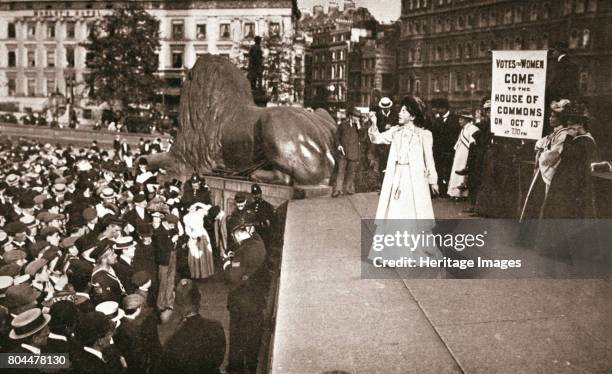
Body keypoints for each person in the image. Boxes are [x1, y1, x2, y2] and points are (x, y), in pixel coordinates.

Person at [367, 96, 442, 269]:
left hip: (415, 179)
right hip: (397, 178)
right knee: (395, 213)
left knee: (414, 213)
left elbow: (429, 159)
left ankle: (417, 253)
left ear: (413, 116)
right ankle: (393, 255)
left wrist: (433, 181)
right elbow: (376, 138)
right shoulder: (395, 132)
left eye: (404, 111)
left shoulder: (424, 135)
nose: (399, 113)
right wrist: (374, 122)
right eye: (400, 110)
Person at [224, 212, 267, 374]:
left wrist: (227, 262)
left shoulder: (243, 251)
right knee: (254, 337)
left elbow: (232, 276)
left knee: (237, 338)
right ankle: (252, 365)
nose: (234, 237)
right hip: (256, 300)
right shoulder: (258, 241)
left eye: (235, 232)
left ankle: (235, 368)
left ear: (245, 229)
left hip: (241, 303)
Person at [158, 279, 226, 374]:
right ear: (199, 298)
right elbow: (218, 359)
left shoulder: (172, 340)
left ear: (176, 304)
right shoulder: (216, 327)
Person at [430, 98, 461, 196]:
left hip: (450, 150)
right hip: (438, 151)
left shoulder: (455, 119)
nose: (438, 110)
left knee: (449, 170)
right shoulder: (437, 120)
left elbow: (456, 135)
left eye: (440, 108)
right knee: (439, 170)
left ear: (445, 108)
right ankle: (441, 190)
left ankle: (448, 189)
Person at [448, 109, 481, 200]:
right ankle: (455, 193)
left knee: (463, 173)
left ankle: (462, 194)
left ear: (467, 119)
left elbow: (473, 144)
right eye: (459, 119)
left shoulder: (473, 129)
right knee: (456, 170)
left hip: (466, 154)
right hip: (460, 153)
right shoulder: (464, 129)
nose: (459, 121)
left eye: (461, 119)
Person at [332, 108, 364, 198]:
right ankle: (338, 190)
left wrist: (359, 127)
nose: (356, 118)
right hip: (343, 152)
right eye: (355, 116)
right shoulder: (343, 125)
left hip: (354, 153)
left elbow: (363, 138)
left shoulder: (360, 127)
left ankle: (349, 189)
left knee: (351, 172)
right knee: (340, 171)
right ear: (351, 116)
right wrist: (339, 145)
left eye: (358, 117)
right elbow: (337, 136)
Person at [370, 97, 399, 191]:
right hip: (381, 146)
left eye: (387, 107)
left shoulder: (395, 115)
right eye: (384, 108)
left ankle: (392, 187)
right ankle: (383, 187)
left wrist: (392, 127)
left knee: (392, 166)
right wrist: (383, 127)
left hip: (392, 145)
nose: (386, 109)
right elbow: (374, 131)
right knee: (382, 166)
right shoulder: (377, 116)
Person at [183, 203, 215, 280]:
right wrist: (191, 235)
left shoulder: (199, 212)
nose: (192, 209)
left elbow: (209, 207)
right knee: (195, 254)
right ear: (187, 209)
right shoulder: (186, 217)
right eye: (190, 208)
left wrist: (197, 203)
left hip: (202, 234)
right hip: (194, 236)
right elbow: (187, 228)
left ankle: (205, 274)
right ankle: (196, 275)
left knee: (205, 253)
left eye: (193, 207)